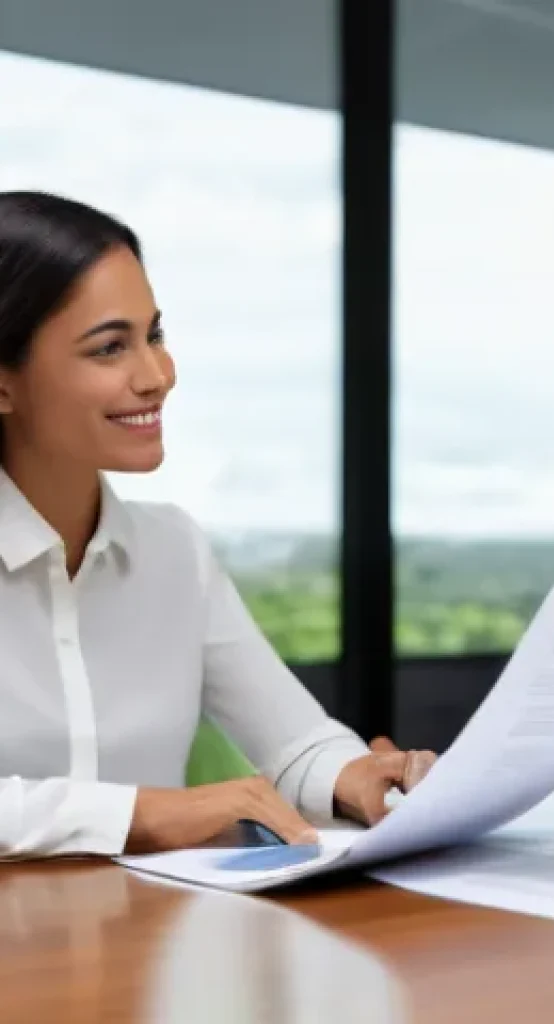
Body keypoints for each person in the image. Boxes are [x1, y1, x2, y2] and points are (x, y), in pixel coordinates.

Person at [0, 191, 436, 859]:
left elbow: (294, 741)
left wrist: (355, 778)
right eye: (110, 348)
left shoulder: (173, 550)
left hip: (140, 944)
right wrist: (141, 813)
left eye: (155, 335)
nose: (158, 376)